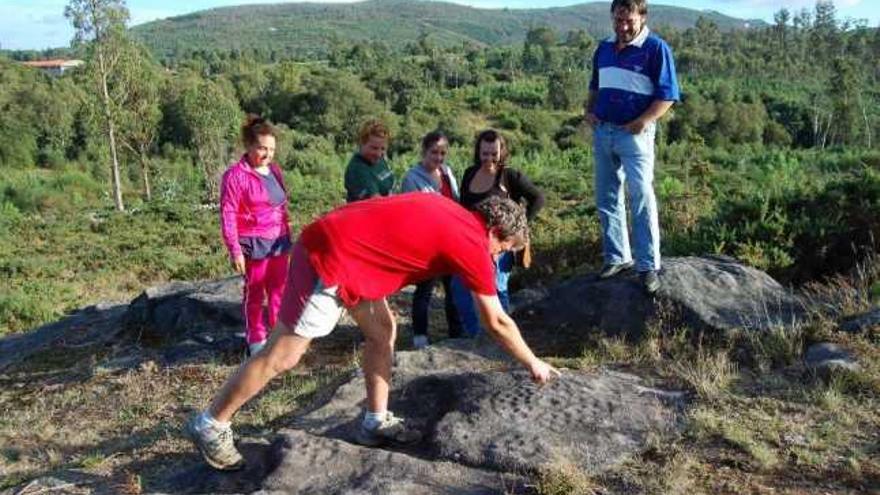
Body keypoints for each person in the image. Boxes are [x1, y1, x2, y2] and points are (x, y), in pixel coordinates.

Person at [186, 193, 560, 471]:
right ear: (495, 231)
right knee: (283, 354)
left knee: (382, 330)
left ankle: (375, 420)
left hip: (347, 250)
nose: (497, 259)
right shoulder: (473, 242)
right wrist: (533, 363)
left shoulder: (455, 211)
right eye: (504, 250)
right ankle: (212, 423)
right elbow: (496, 321)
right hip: (330, 256)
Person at [584, 0, 680, 294]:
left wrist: (642, 122)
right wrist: (588, 111)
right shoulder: (604, 48)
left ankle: (648, 265)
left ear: (642, 17)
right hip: (603, 132)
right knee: (607, 196)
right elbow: (595, 85)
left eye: (628, 21)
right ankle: (617, 258)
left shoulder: (656, 48)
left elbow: (668, 96)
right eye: (617, 20)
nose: (622, 26)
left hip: (635, 135)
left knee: (641, 196)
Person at [454, 129, 544, 336]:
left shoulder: (509, 175)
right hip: (471, 243)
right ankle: (474, 335)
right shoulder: (470, 173)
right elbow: (463, 207)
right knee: (461, 289)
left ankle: (502, 337)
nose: (489, 159)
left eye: (493, 153)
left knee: (496, 289)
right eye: (485, 153)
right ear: (478, 152)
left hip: (500, 246)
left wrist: (517, 227)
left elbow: (538, 199)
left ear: (501, 151)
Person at [220, 115, 292, 356]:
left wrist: (288, 236)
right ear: (249, 146)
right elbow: (228, 213)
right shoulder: (235, 176)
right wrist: (235, 250)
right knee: (255, 293)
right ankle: (256, 338)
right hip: (254, 243)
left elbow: (281, 207)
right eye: (262, 148)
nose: (267, 154)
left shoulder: (274, 171)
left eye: (271, 149)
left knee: (279, 290)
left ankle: (278, 334)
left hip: (278, 242)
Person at [400, 131, 463, 349]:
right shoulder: (411, 178)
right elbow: (412, 214)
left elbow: (456, 201)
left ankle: (456, 333)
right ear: (424, 151)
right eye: (434, 152)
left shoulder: (447, 172)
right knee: (424, 290)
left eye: (442, 153)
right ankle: (420, 336)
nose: (438, 157)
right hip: (427, 245)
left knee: (453, 289)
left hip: (450, 242)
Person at [344, 119, 394, 202]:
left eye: (383, 149)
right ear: (362, 143)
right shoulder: (357, 169)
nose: (378, 154)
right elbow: (376, 202)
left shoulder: (378, 159)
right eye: (374, 148)